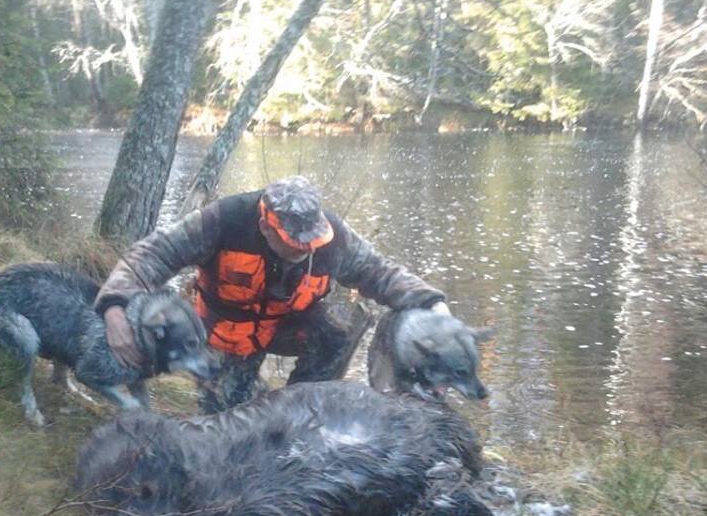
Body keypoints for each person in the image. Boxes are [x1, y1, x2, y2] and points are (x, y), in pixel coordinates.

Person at [95, 175, 451, 413]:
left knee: (340, 324)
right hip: (227, 335)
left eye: (311, 239)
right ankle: (246, 393)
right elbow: (152, 255)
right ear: (266, 226)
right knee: (230, 422)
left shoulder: (333, 236)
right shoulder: (223, 220)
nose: (305, 248)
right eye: (295, 242)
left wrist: (432, 302)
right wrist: (114, 306)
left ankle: (305, 404)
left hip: (288, 328)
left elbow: (380, 271)